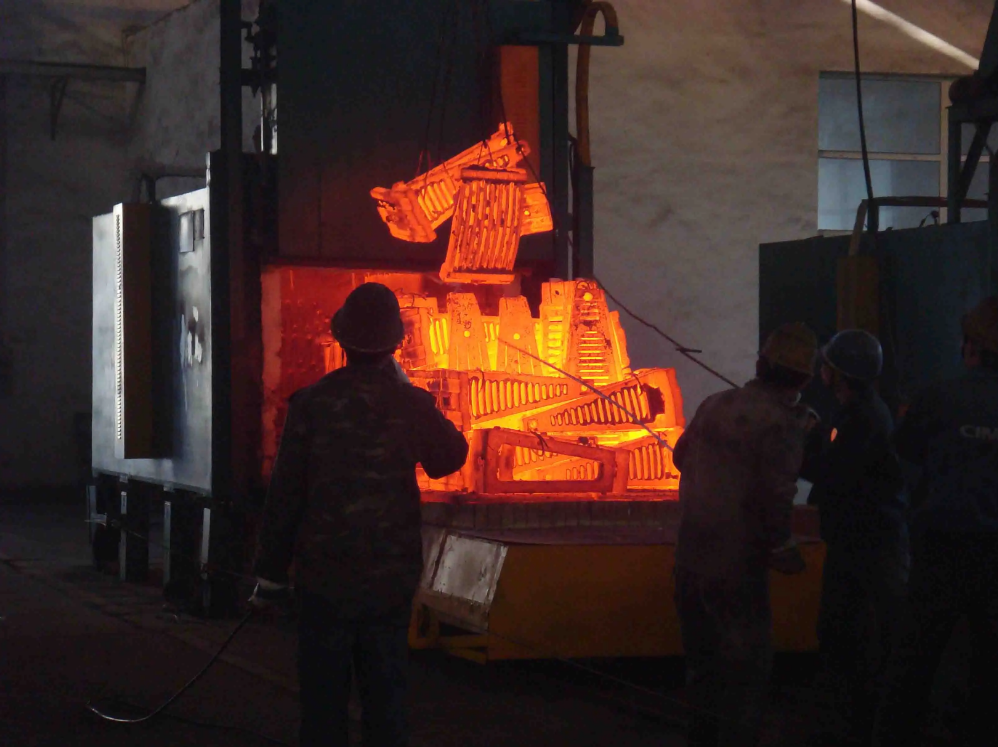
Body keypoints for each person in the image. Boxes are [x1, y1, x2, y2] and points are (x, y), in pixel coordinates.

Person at [250, 282, 469, 747]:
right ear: (395, 344)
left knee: (322, 705)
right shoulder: (409, 404)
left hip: (323, 578)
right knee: (386, 703)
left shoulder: (312, 404)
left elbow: (285, 494)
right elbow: (449, 457)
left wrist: (270, 575)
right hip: (389, 580)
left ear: (342, 340)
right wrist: (411, 395)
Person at [673, 322, 818, 747]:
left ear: (760, 363)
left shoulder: (714, 404)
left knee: (702, 670)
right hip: (736, 571)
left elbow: (681, 457)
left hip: (689, 561)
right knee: (745, 677)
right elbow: (777, 497)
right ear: (804, 380)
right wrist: (786, 550)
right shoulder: (783, 424)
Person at [874, 296, 998, 747]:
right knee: (989, 669)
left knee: (914, 663)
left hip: (939, 551)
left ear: (971, 346)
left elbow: (904, 453)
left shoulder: (940, 397)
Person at [801, 330, 907, 746]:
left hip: (865, 543)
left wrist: (798, 449)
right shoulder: (857, 413)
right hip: (863, 539)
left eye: (827, 365)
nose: (821, 370)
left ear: (838, 374)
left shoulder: (861, 419)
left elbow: (833, 474)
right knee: (847, 630)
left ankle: (857, 724)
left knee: (848, 632)